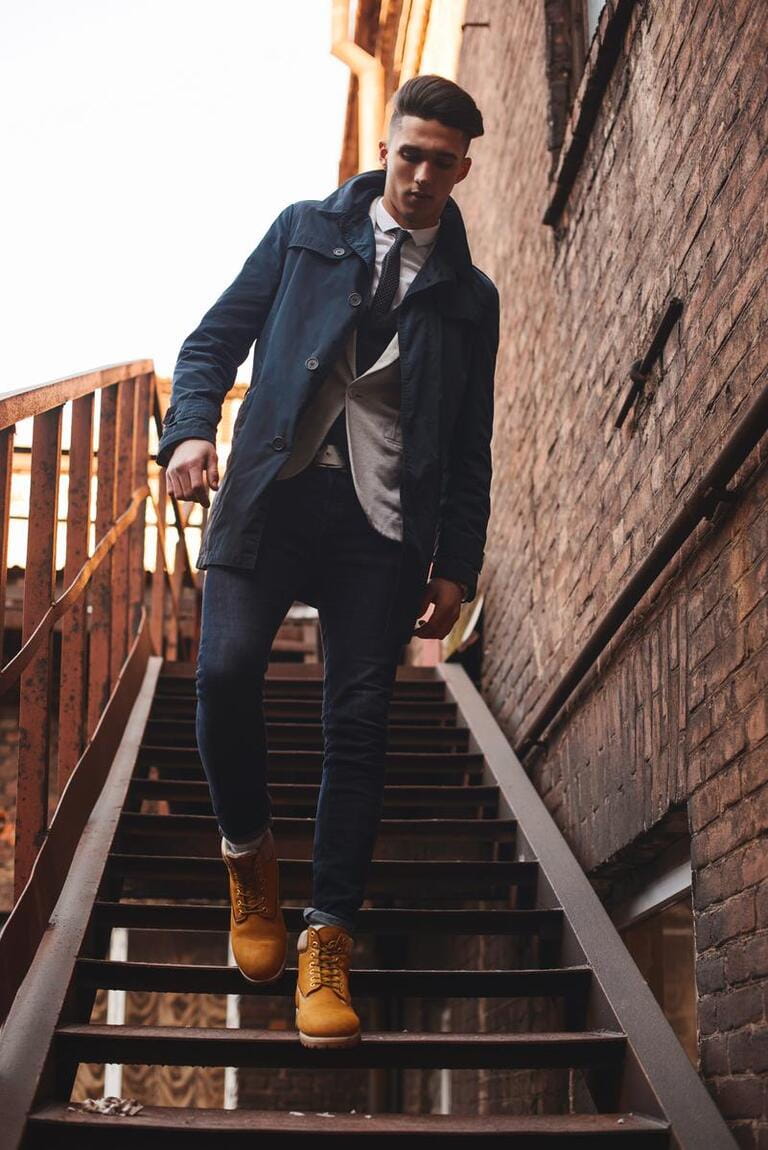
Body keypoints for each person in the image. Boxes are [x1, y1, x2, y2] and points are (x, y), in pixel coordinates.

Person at [156, 74, 500, 1048]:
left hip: (382, 527)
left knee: (360, 719)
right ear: (385, 149)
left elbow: (469, 444)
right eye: (410, 153)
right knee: (223, 674)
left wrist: (455, 563)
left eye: (443, 160)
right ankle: (249, 859)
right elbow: (211, 342)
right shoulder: (305, 231)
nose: (423, 173)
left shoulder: (471, 301)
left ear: (462, 169)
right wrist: (189, 433)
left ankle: (328, 936)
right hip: (273, 491)